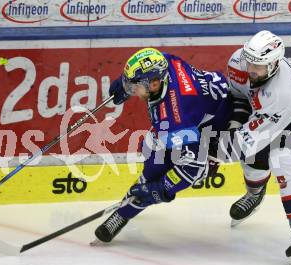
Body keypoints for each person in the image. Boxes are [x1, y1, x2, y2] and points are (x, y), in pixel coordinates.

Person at [92, 47, 232, 244]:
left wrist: (159, 189)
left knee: (162, 173)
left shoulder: (175, 117)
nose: (132, 91)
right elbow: (151, 60)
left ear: (155, 84)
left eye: (134, 87)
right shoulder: (165, 63)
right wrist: (124, 84)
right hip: (201, 113)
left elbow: (192, 168)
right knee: (152, 157)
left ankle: (128, 210)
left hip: (218, 131)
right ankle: (126, 210)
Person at [224, 30, 291, 265]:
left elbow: (246, 141)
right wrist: (233, 124)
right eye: (249, 61)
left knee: (281, 157)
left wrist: (210, 155)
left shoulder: (283, 89)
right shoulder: (237, 61)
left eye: (258, 67)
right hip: (269, 111)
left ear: (274, 65)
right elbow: (238, 96)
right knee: (252, 152)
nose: (251, 70)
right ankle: (255, 194)